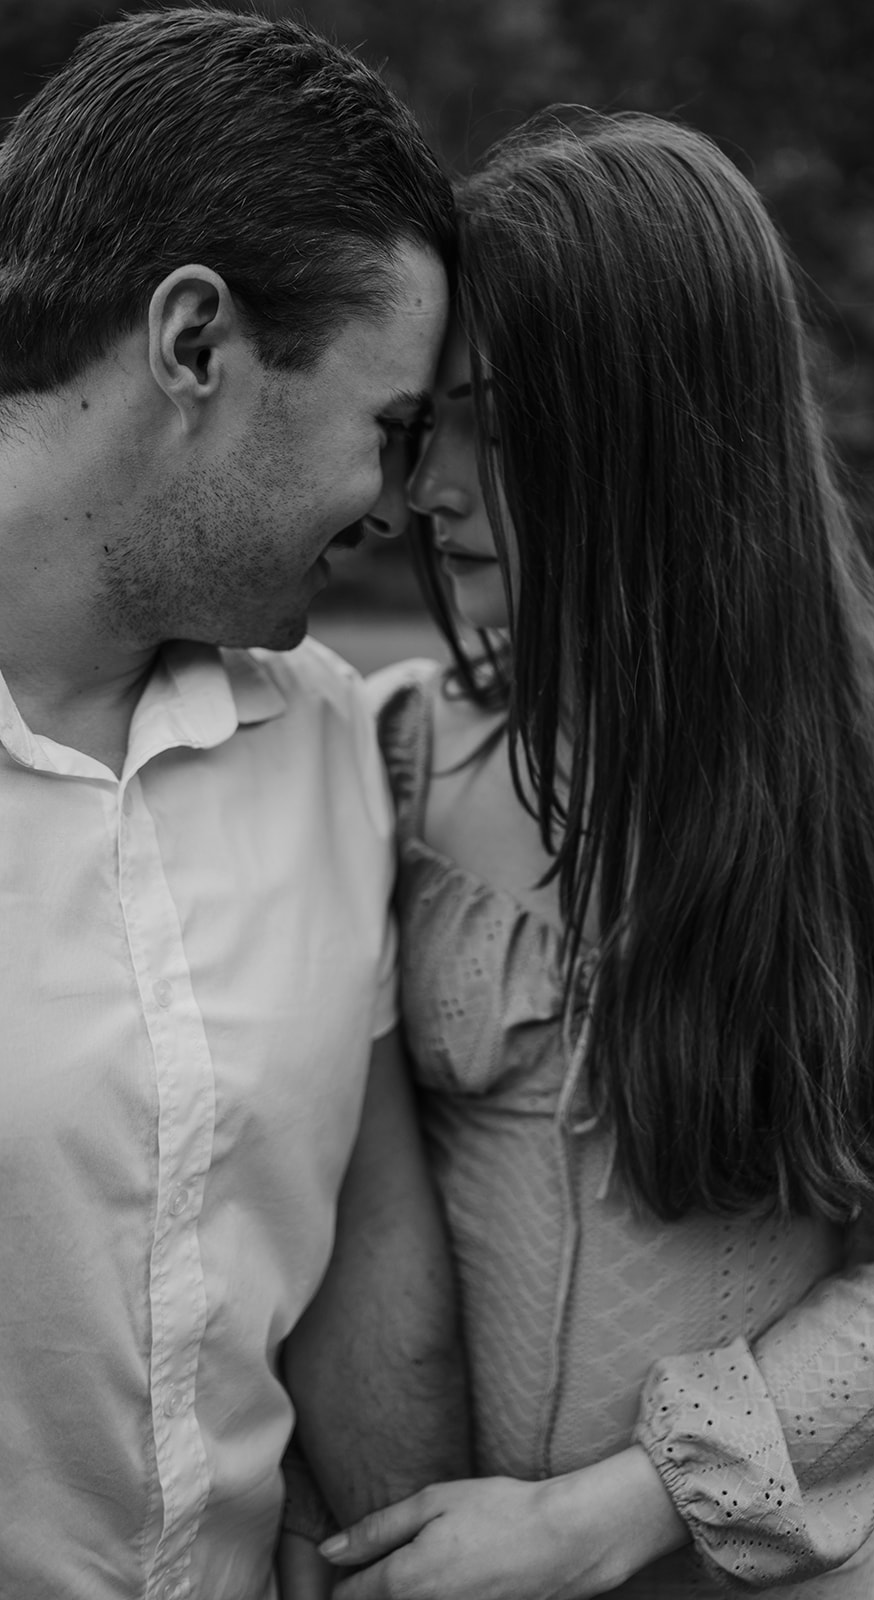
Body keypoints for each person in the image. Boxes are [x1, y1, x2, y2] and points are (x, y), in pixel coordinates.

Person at [296, 113, 874, 1599]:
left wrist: (605, 1520)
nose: (427, 489)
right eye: (423, 423)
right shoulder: (389, 754)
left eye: (496, 430)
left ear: (655, 439)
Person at [0, 10, 467, 1599]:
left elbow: (359, 1250)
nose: (402, 503)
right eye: (388, 428)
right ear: (195, 345)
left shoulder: (329, 738)